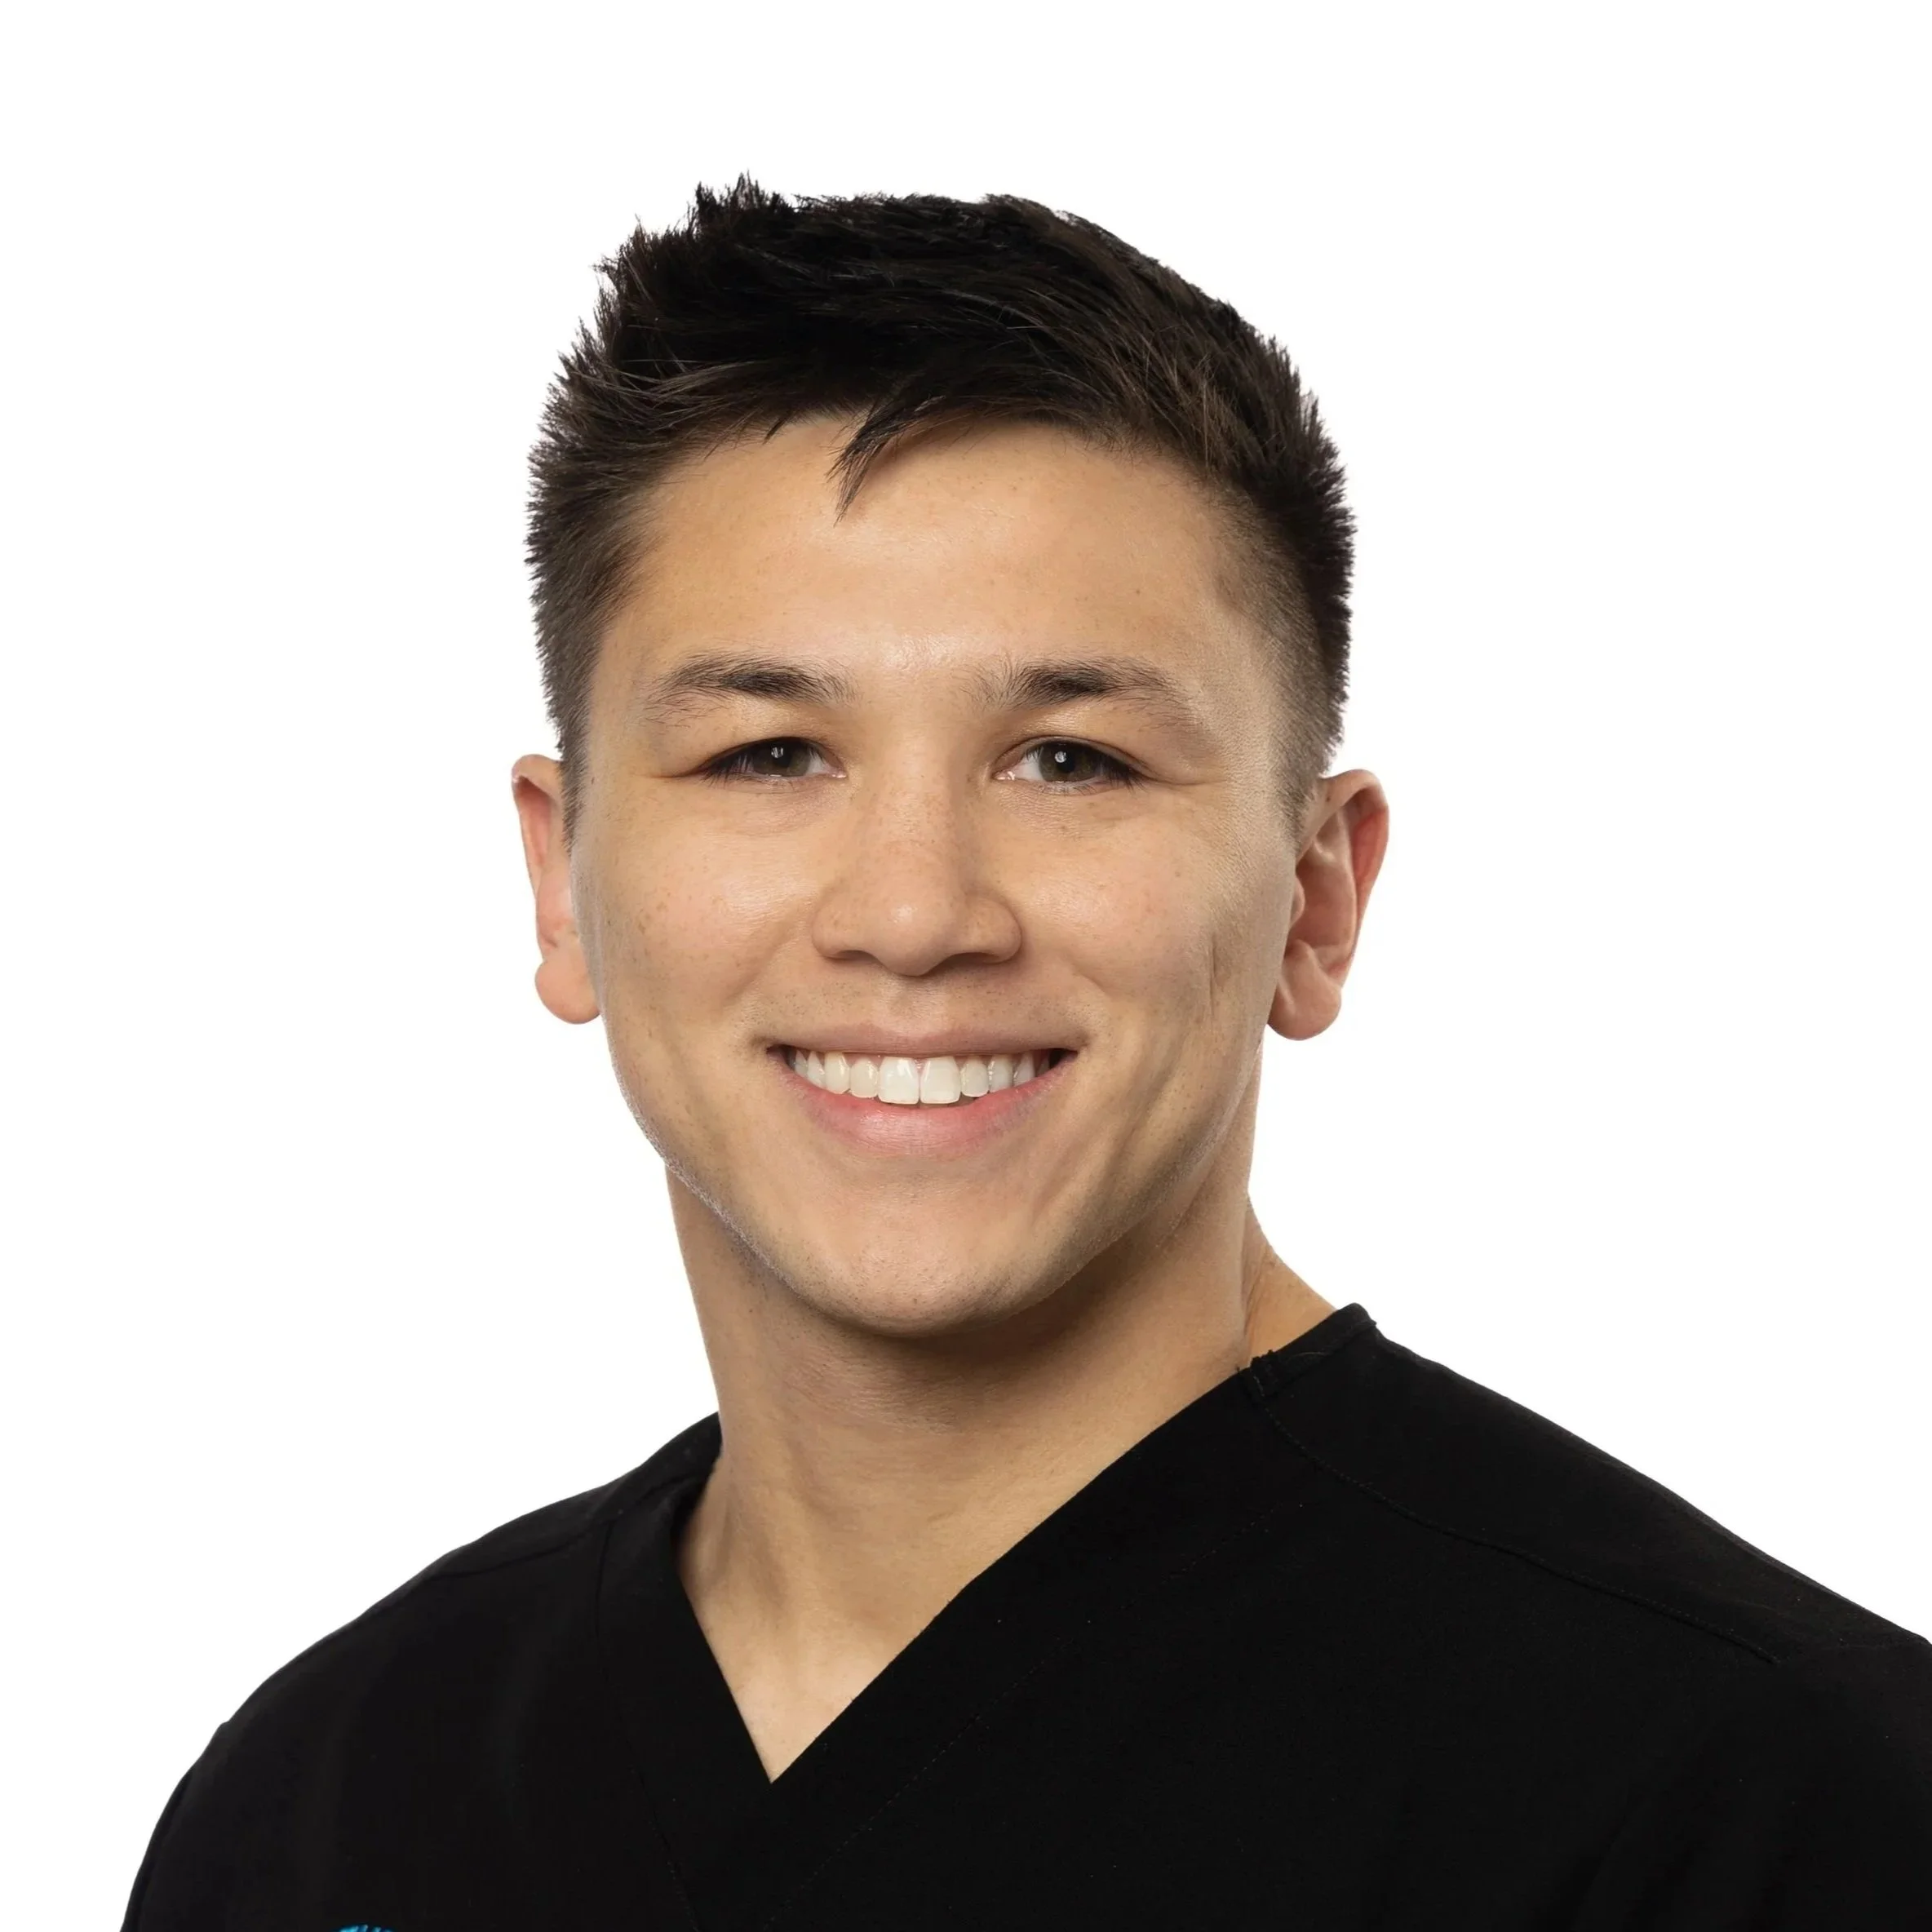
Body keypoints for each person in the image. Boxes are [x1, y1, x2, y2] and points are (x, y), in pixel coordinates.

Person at [122, 179, 1932, 1929]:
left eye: (1070, 759)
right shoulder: (329, 1799)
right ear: (562, 877)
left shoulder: (1756, 1806)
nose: (913, 912)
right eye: (767, 754)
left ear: (1314, 894)